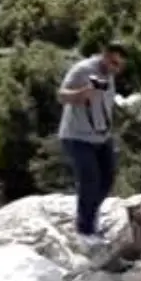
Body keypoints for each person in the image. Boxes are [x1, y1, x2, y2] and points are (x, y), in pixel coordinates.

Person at [58, 40, 128, 239]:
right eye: (114, 63)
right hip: (77, 136)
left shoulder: (110, 75)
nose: (117, 69)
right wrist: (81, 94)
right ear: (104, 55)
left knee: (107, 178)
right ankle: (85, 229)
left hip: (101, 136)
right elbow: (61, 96)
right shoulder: (82, 70)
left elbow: (105, 101)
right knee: (89, 180)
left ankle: (88, 215)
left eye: (120, 65)